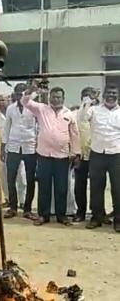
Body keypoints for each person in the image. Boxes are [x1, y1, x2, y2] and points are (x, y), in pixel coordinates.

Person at [21, 83, 80, 226]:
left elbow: (75, 135)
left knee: (61, 187)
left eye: (59, 97)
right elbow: (25, 101)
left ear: (63, 98)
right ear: (49, 98)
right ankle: (43, 215)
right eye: (53, 97)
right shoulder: (41, 109)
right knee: (44, 187)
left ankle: (61, 216)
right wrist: (33, 89)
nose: (56, 100)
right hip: (44, 156)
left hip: (62, 157)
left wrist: (76, 154)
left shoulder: (69, 114)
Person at [79, 84, 120, 232]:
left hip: (116, 155)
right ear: (103, 95)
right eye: (108, 93)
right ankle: (96, 218)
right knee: (96, 188)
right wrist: (89, 100)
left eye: (114, 93)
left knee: (118, 189)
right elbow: (82, 117)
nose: (111, 95)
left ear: (118, 95)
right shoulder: (94, 110)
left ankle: (118, 220)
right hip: (97, 154)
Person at [2, 83, 38, 220]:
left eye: (23, 93)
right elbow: (6, 128)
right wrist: (3, 148)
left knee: (30, 179)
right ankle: (13, 207)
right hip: (13, 147)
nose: (20, 96)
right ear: (14, 95)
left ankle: (27, 209)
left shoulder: (34, 107)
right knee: (11, 178)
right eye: (18, 94)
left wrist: (38, 145)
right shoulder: (11, 108)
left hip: (30, 147)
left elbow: (39, 127)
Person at [73, 87, 98, 222]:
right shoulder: (76, 113)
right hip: (80, 155)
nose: (88, 99)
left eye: (91, 96)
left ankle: (98, 212)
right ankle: (80, 212)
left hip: (97, 154)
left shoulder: (99, 113)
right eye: (85, 97)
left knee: (97, 186)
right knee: (79, 186)